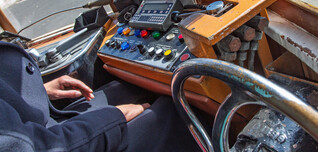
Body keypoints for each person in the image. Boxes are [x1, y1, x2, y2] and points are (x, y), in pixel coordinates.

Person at [0, 41, 201, 151]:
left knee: (127, 89)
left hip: (38, 124)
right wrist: (114, 119)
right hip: (53, 140)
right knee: (169, 110)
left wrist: (34, 92)